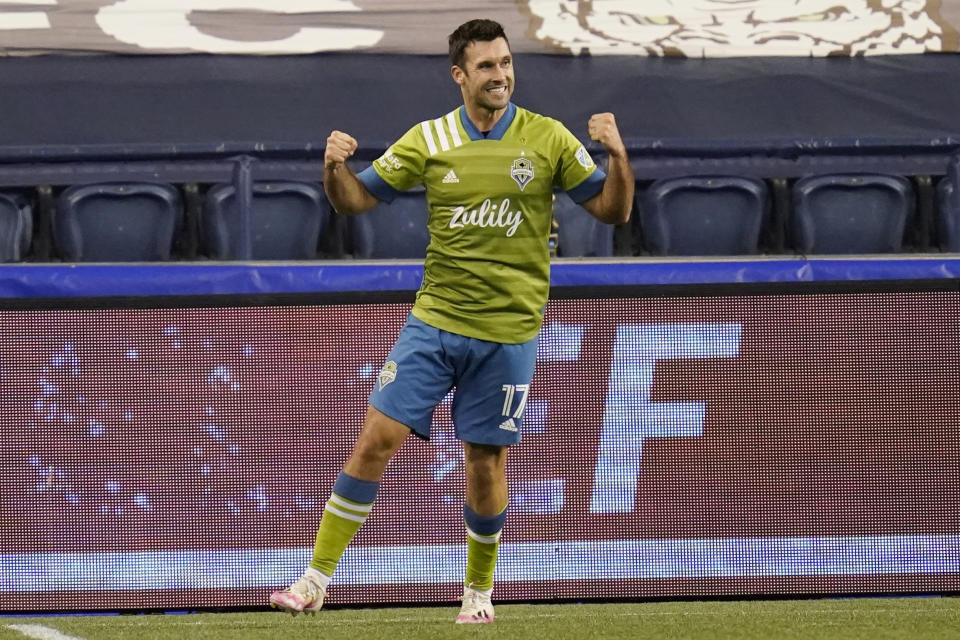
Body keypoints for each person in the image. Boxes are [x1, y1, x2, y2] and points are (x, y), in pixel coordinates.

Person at [269, 18, 634, 624]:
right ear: (459, 75)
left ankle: (478, 593)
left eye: (507, 63)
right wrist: (334, 170)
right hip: (434, 324)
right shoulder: (429, 138)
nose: (502, 75)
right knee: (374, 442)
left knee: (485, 461)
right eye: (487, 66)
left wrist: (618, 157)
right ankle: (314, 580)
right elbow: (356, 200)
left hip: (509, 333)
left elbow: (613, 211)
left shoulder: (548, 138)